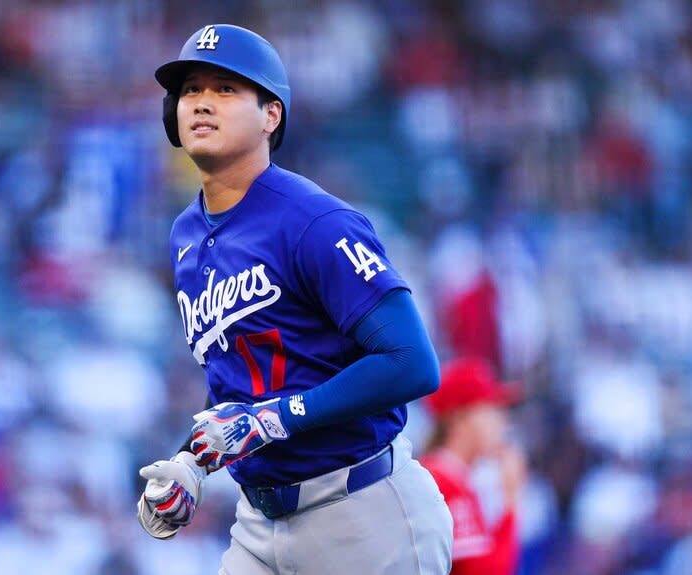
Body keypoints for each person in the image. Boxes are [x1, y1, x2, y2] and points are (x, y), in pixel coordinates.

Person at [137, 24, 453, 574]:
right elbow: (239, 388)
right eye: (191, 90)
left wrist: (273, 419)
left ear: (271, 115)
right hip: (258, 525)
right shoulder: (186, 235)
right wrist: (191, 463)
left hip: (361, 512)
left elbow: (412, 363)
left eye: (226, 88)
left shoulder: (314, 220)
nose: (202, 102)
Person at [420, 357, 526, 575]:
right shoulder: (441, 483)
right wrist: (511, 501)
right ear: (458, 418)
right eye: (491, 409)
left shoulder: (454, 479)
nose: (502, 421)